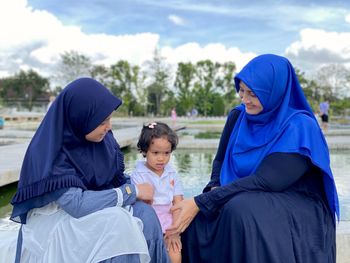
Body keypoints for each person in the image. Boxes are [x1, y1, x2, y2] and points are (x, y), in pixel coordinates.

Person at [166, 54, 339, 262]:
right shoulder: (238, 117)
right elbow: (220, 161)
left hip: (295, 201)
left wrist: (203, 201)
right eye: (241, 90)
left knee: (239, 210)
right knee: (197, 218)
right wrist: (214, 186)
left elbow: (266, 181)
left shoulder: (299, 126)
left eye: (253, 94)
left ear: (274, 92)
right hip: (242, 192)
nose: (245, 99)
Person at [8, 78, 170, 263]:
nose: (108, 127)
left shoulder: (103, 140)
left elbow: (114, 178)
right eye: (102, 121)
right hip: (57, 218)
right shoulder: (51, 151)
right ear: (81, 117)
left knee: (146, 215)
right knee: (118, 224)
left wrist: (134, 189)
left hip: (94, 203)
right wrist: (132, 191)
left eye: (109, 119)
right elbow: (76, 205)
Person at [130, 122, 184, 263]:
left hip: (170, 223)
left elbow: (178, 203)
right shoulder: (138, 175)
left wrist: (175, 231)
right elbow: (139, 206)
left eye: (166, 153)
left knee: (175, 255)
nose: (161, 158)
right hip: (148, 223)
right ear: (144, 151)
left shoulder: (172, 173)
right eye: (155, 153)